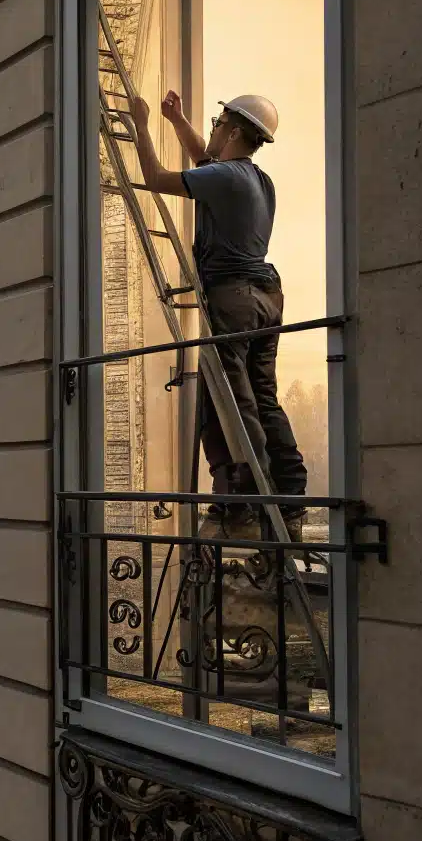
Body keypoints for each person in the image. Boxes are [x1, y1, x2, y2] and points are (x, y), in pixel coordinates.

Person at [128, 91, 307, 539]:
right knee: (262, 394)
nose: (210, 129)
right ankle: (290, 493)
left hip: (234, 297)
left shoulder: (227, 177)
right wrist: (179, 120)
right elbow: (206, 157)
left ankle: (246, 500)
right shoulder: (256, 179)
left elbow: (154, 177)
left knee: (230, 397)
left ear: (231, 129)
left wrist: (141, 123)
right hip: (267, 296)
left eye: (216, 122)